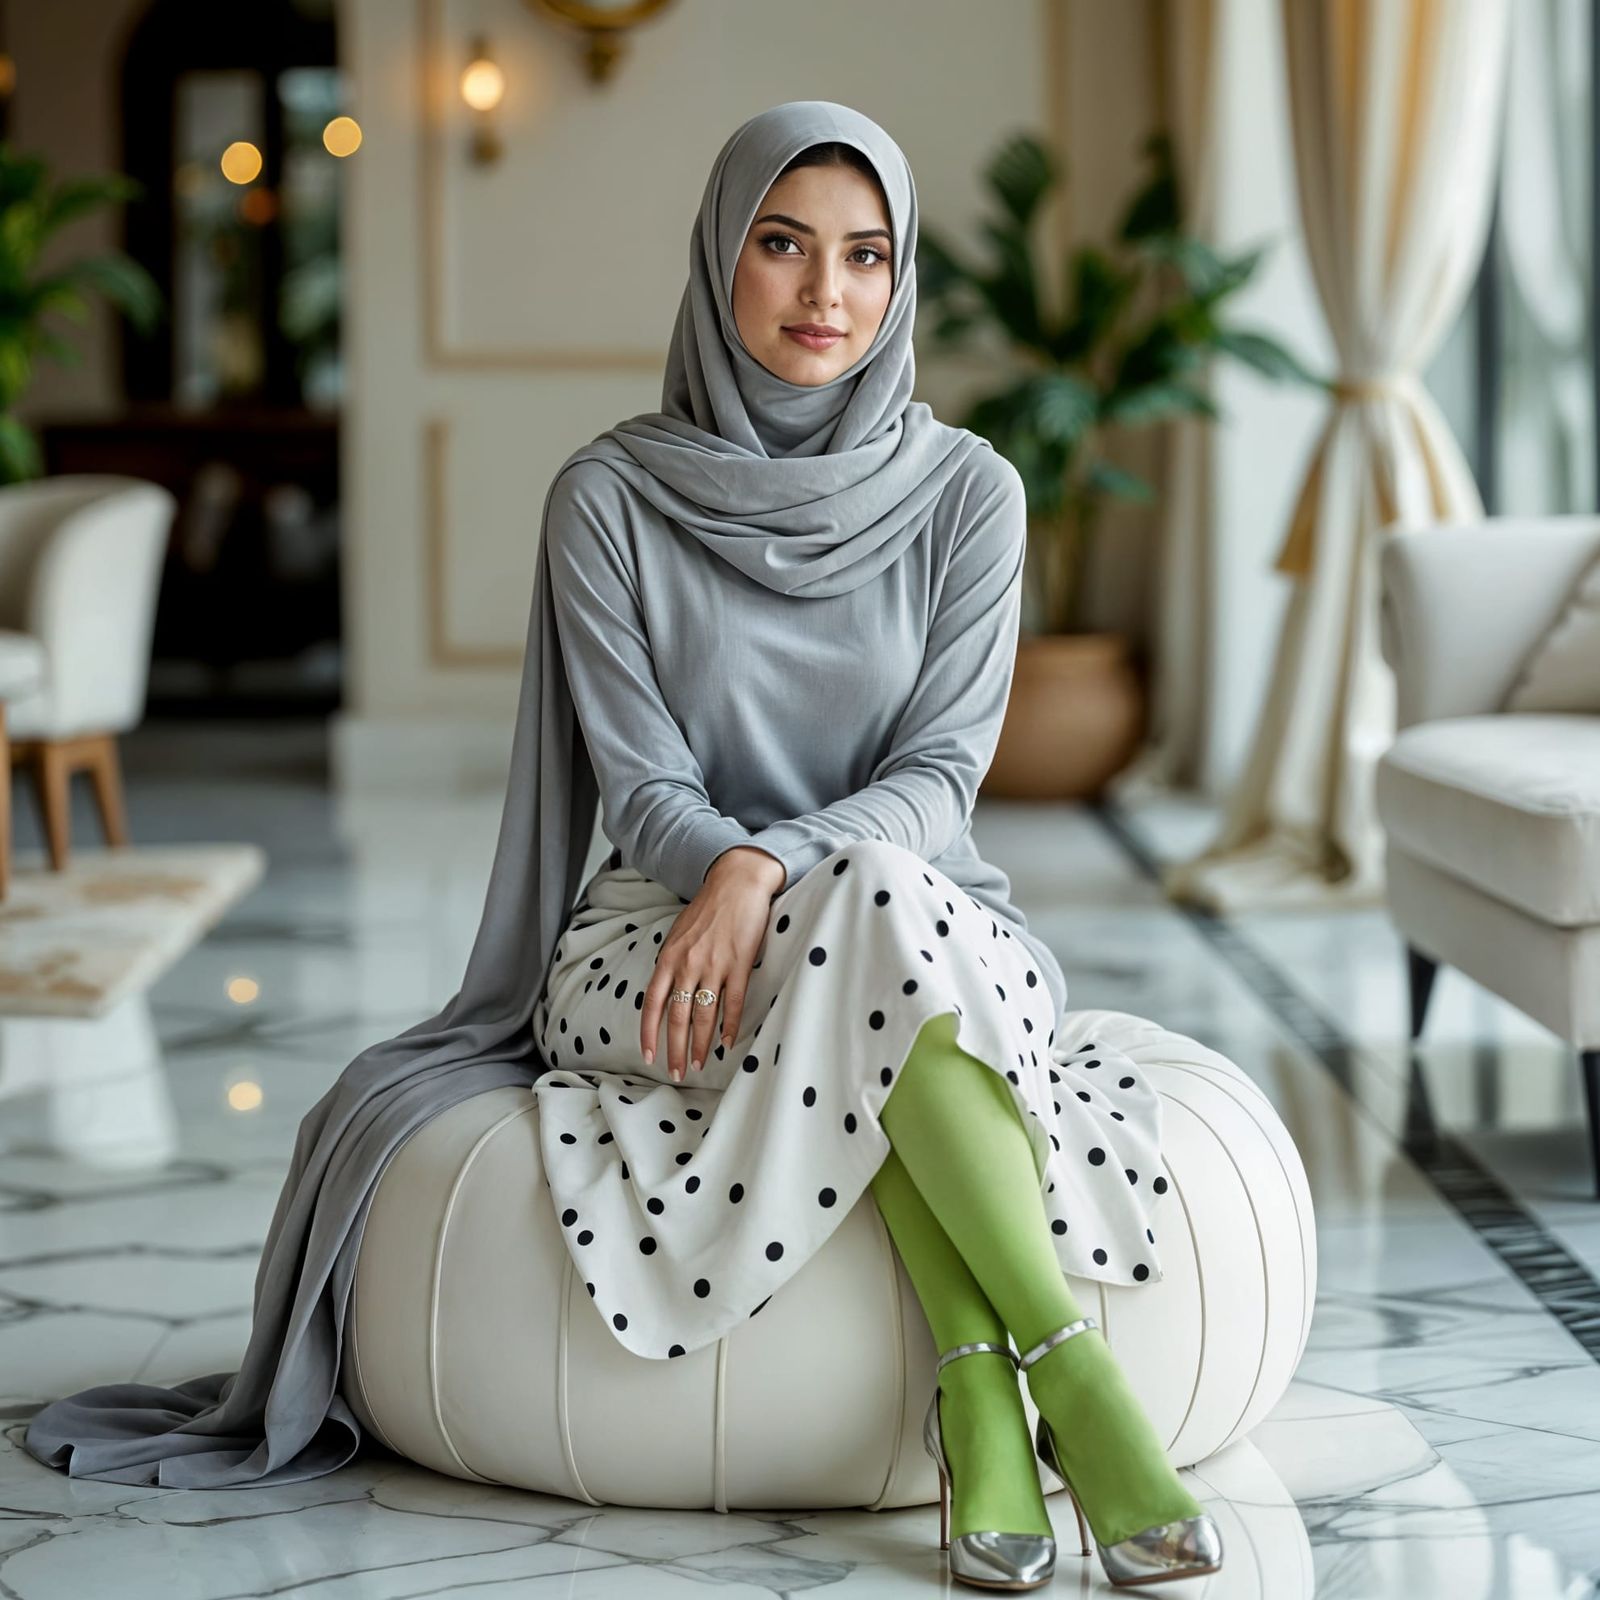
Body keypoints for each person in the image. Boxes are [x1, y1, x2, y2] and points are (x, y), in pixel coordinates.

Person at [22, 99, 1220, 1592]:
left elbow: (943, 776)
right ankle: (1069, 1386)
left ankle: (994, 1378)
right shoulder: (609, 496)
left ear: (900, 277)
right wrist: (722, 867)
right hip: (654, 950)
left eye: (864, 254)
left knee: (881, 921)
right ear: (722, 255)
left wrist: (766, 866)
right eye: (782, 246)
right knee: (875, 962)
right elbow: (643, 786)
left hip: (927, 925)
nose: (824, 293)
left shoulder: (968, 493)